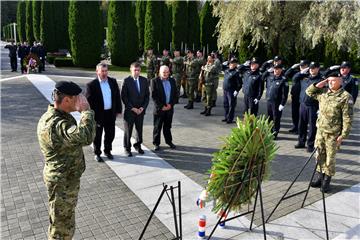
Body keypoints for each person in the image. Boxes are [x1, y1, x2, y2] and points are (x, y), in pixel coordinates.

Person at [37, 81, 95, 240]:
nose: (81, 99)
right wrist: (86, 111)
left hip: (65, 179)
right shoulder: (55, 124)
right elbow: (86, 137)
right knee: (61, 229)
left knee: (64, 222)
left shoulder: (59, 116)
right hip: (62, 182)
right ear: (67, 100)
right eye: (77, 97)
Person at [306, 72, 353, 193]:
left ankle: (326, 181)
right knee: (319, 155)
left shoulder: (345, 97)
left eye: (333, 80)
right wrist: (319, 84)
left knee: (330, 158)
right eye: (329, 80)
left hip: (333, 134)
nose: (330, 83)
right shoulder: (323, 93)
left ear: (340, 81)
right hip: (320, 131)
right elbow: (309, 92)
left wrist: (343, 135)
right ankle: (319, 178)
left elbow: (347, 118)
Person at [86, 63, 122, 162]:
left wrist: (119, 110)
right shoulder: (91, 85)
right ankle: (97, 153)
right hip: (98, 115)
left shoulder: (112, 81)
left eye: (106, 71)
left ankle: (107, 150)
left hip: (110, 113)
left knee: (110, 134)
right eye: (102, 71)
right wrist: (91, 116)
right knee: (97, 136)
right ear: (97, 71)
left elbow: (117, 97)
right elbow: (89, 103)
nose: (104, 73)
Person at [121, 62, 150, 157]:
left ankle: (138, 145)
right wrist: (133, 108)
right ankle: (127, 148)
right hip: (130, 111)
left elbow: (147, 96)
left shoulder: (144, 80)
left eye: (138, 70)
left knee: (139, 129)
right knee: (128, 131)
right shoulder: (126, 81)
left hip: (140, 111)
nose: (137, 72)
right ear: (131, 70)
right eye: (135, 70)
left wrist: (142, 108)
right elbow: (124, 97)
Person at [293, 61, 322, 152]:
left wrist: (320, 108)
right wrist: (302, 71)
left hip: (313, 106)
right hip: (303, 105)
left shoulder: (320, 80)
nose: (312, 70)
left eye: (314, 68)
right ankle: (301, 142)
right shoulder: (304, 77)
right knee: (301, 125)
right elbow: (294, 78)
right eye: (310, 68)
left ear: (318, 68)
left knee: (313, 127)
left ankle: (310, 145)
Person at [151, 65, 178, 151]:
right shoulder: (154, 81)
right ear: (159, 72)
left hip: (169, 109)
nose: (166, 74)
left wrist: (171, 105)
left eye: (167, 72)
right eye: (164, 72)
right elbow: (154, 96)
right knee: (157, 127)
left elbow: (175, 95)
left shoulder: (172, 80)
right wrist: (162, 106)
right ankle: (156, 143)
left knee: (167, 127)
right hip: (159, 109)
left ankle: (169, 141)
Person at [264, 63, 289, 139]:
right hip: (269, 101)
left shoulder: (283, 80)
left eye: (277, 69)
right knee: (269, 118)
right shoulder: (270, 77)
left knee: (276, 118)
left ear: (281, 70)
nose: (275, 70)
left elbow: (285, 94)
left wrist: (282, 104)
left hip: (277, 103)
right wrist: (267, 71)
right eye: (274, 69)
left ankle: (275, 133)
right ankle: (269, 131)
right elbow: (262, 77)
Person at [285, 59, 310, 134]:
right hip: (295, 96)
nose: (301, 67)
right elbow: (286, 74)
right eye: (300, 66)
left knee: (301, 114)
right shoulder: (296, 73)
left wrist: (304, 72)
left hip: (302, 97)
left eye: (303, 66)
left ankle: (300, 128)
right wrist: (292, 68)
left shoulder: (309, 74)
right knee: (294, 113)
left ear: (307, 66)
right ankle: (295, 126)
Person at [222, 58, 242, 123]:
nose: (231, 64)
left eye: (233, 63)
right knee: (226, 104)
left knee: (231, 105)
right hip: (225, 90)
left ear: (236, 64)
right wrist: (224, 63)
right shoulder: (227, 70)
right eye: (230, 63)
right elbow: (221, 67)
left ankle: (230, 119)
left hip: (231, 91)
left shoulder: (236, 73)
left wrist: (237, 90)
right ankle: (226, 117)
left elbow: (240, 83)